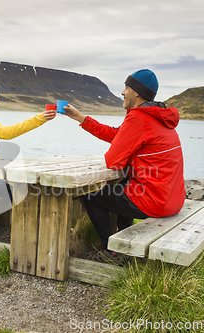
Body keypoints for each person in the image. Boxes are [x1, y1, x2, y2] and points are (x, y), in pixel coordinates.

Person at [63, 69, 185, 257]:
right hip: (173, 200)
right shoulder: (156, 116)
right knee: (124, 186)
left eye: (126, 87)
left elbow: (112, 161)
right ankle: (124, 243)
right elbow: (118, 135)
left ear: (136, 92)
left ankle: (112, 250)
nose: (122, 92)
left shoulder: (140, 118)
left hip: (156, 202)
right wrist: (82, 118)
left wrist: (125, 154)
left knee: (91, 194)